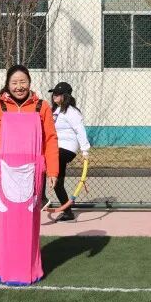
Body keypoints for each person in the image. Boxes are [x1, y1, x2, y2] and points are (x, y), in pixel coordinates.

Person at [0, 65, 59, 285]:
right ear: (8, 84)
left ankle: (29, 270)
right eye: (14, 82)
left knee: (29, 223)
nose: (19, 87)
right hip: (4, 173)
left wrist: (53, 170)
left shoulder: (42, 107)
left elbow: (50, 140)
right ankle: (5, 269)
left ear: (30, 82)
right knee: (6, 224)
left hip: (32, 175)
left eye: (23, 82)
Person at [49, 81, 90, 222]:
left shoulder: (71, 112)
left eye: (58, 93)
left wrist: (85, 150)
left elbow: (80, 130)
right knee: (58, 183)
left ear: (65, 96)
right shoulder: (55, 110)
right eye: (54, 93)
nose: (54, 95)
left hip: (66, 149)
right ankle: (67, 212)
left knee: (47, 168)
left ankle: (44, 199)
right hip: (55, 148)